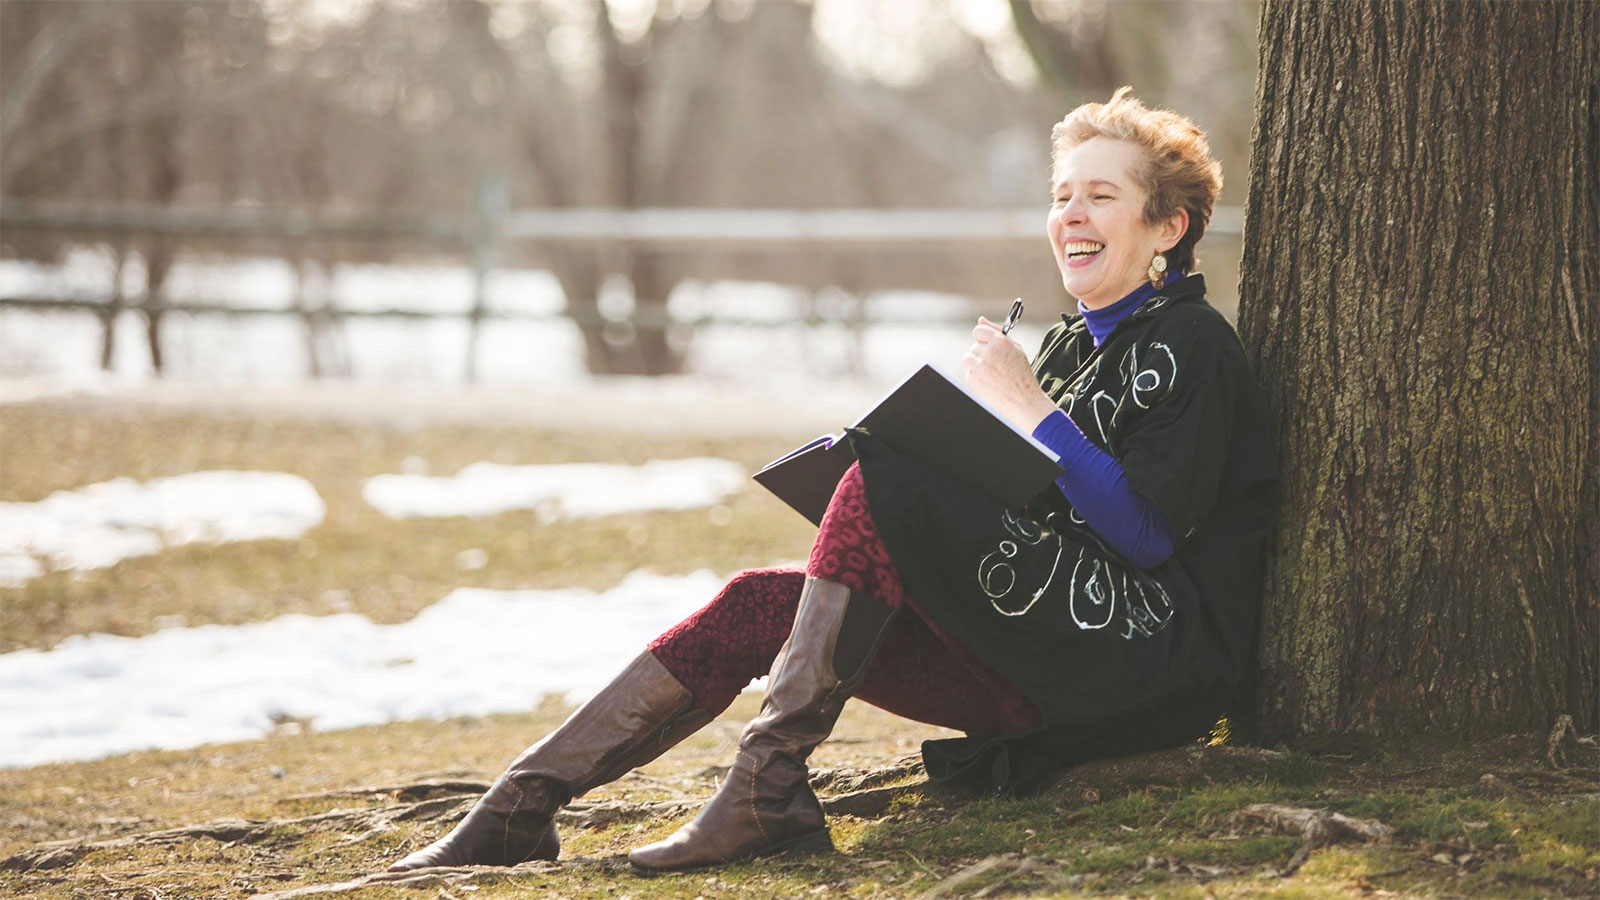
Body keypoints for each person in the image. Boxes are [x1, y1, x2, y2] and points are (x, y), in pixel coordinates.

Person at [387, 87, 1277, 874]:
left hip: (1140, 665)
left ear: (1169, 226)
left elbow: (1150, 532)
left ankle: (766, 788)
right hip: (1034, 647)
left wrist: (1026, 412)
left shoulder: (1193, 345)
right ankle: (517, 807)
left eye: (1102, 196)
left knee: (886, 468)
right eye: (1061, 196)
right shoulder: (1071, 342)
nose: (1072, 215)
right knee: (760, 599)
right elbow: (1038, 501)